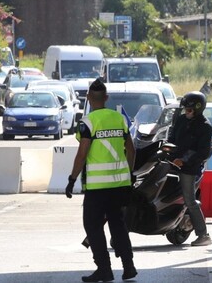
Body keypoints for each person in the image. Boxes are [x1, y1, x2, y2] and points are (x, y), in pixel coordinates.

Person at [66, 79, 137, 282]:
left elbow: (82, 154)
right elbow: (131, 149)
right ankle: (128, 265)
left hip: (98, 188)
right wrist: (129, 173)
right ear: (106, 98)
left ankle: (104, 269)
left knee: (93, 226)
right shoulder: (119, 119)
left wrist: (72, 179)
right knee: (118, 224)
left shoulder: (87, 122)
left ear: (88, 98)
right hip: (120, 185)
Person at [167, 91, 212, 247]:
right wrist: (166, 150)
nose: (186, 112)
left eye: (189, 110)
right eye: (185, 109)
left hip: (190, 168)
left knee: (189, 200)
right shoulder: (180, 120)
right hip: (172, 162)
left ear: (198, 109)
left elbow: (202, 152)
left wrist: (184, 161)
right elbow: (171, 138)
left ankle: (203, 234)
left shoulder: (205, 127)